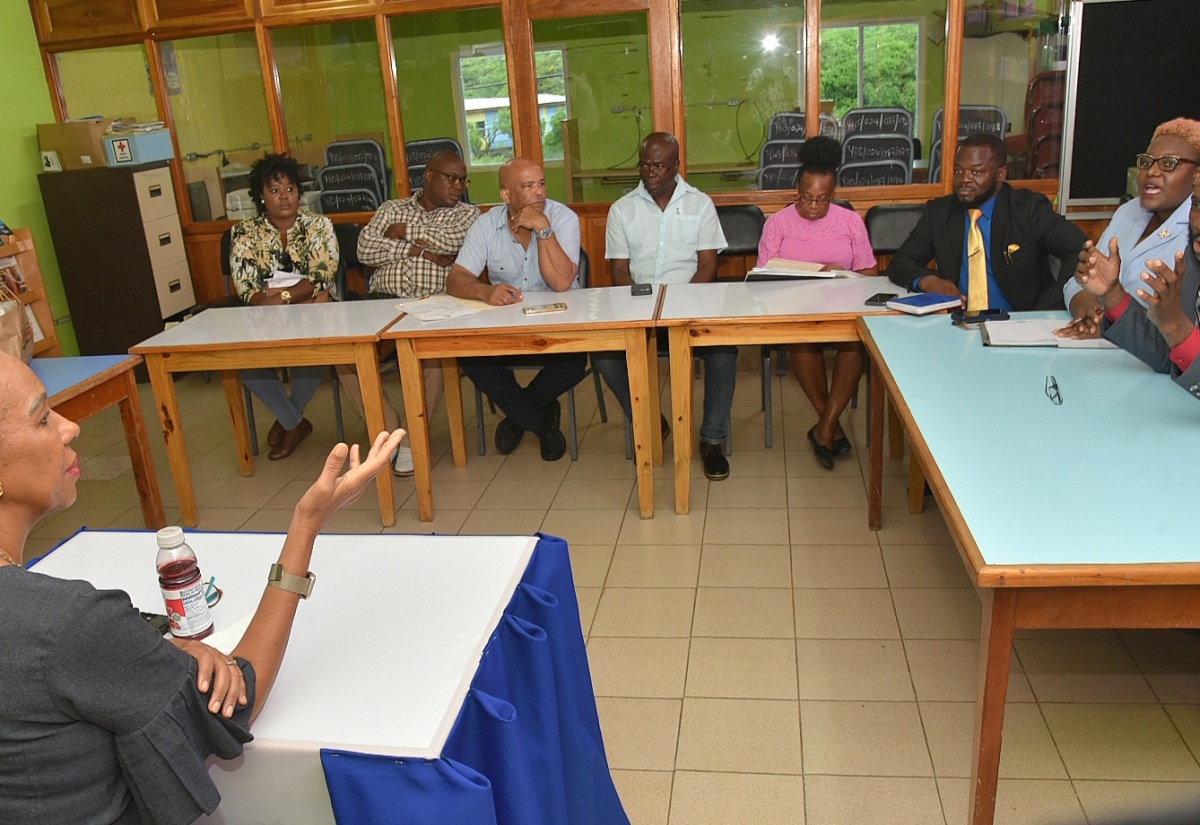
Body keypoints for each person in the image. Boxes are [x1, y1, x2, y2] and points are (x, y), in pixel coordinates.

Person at [0, 351, 404, 824]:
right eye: (44, 417)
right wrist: (307, 525)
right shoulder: (71, 626)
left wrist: (159, 656)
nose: (71, 427)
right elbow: (231, 706)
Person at [595, 131, 734, 481]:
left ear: (675, 166)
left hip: (690, 305)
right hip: (639, 307)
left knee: (724, 352)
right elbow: (620, 271)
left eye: (658, 165)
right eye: (644, 164)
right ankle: (651, 422)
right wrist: (646, 311)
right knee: (605, 356)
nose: (649, 172)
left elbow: (708, 267)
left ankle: (712, 440)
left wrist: (679, 306)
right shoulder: (621, 209)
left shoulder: (699, 204)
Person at [446, 158, 585, 461]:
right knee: (472, 360)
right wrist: (485, 291)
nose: (539, 192)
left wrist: (543, 229)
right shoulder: (486, 224)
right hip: (507, 329)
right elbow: (456, 279)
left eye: (541, 183)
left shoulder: (563, 218)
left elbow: (561, 282)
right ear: (506, 195)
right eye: (528, 186)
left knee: (574, 362)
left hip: (558, 327)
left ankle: (519, 416)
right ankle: (541, 421)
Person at [354, 151, 481, 476]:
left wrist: (403, 233)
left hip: (434, 302)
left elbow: (453, 241)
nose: (458, 186)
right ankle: (390, 424)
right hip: (381, 301)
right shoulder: (390, 208)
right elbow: (364, 248)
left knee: (432, 360)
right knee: (346, 359)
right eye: (450, 178)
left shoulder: (467, 215)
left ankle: (408, 439)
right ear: (427, 176)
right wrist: (418, 250)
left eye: (462, 180)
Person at [756, 136, 877, 469]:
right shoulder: (777, 223)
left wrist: (842, 272)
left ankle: (824, 427)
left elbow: (869, 269)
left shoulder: (850, 221)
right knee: (802, 344)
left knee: (855, 345)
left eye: (821, 200)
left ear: (833, 194)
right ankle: (831, 426)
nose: (812, 206)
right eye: (807, 197)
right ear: (797, 189)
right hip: (796, 310)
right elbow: (762, 274)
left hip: (841, 308)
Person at [886, 133, 1087, 311]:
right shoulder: (940, 213)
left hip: (1020, 325)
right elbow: (901, 263)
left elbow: (1080, 248)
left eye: (976, 172)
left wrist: (1047, 310)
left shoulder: (1027, 209)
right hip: (958, 326)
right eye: (958, 171)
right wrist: (929, 282)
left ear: (1001, 174)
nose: (964, 179)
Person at [229, 154, 338, 461]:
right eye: (274, 191)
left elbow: (322, 276)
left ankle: (289, 422)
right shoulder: (244, 233)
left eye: (290, 188)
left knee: (317, 346)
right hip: (265, 315)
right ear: (260, 197)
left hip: (313, 311)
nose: (284, 197)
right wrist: (270, 303)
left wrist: (283, 297)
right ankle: (294, 422)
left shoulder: (320, 226)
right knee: (245, 361)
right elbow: (246, 285)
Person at [1058, 118, 1200, 339]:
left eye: (1169, 163)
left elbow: (1176, 324)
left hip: (1157, 362)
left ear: (1197, 175)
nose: (1151, 172)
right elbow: (1083, 281)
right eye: (1146, 162)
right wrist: (1085, 306)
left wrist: (1107, 320)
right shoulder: (1129, 212)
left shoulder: (1195, 232)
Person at [1073, 180, 1200, 400]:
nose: (1198, 221)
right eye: (1197, 205)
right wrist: (1112, 294)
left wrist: (1176, 326)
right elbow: (1169, 359)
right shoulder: (1193, 256)